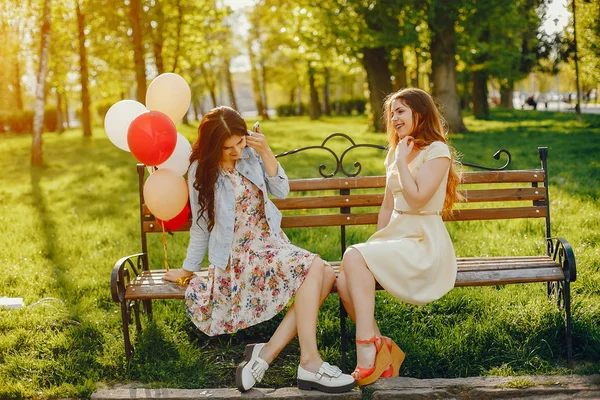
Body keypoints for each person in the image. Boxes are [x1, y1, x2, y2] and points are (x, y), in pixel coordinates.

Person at [163, 106, 355, 394]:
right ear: (214, 145)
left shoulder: (252, 154)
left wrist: (265, 152)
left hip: (271, 245)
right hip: (239, 258)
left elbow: (282, 191)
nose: (238, 152)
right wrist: (188, 269)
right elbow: (201, 226)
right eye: (229, 148)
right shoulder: (200, 171)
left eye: (241, 142)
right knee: (318, 269)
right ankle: (310, 363)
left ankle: (264, 358)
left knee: (326, 275)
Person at [336, 88, 461, 386]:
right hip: (397, 236)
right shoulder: (396, 152)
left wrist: (403, 161)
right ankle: (381, 346)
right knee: (345, 278)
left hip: (423, 242)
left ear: (420, 113)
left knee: (352, 257)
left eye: (401, 111)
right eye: (392, 113)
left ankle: (367, 352)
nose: (394, 118)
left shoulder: (437, 152)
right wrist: (376, 243)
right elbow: (388, 204)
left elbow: (417, 200)